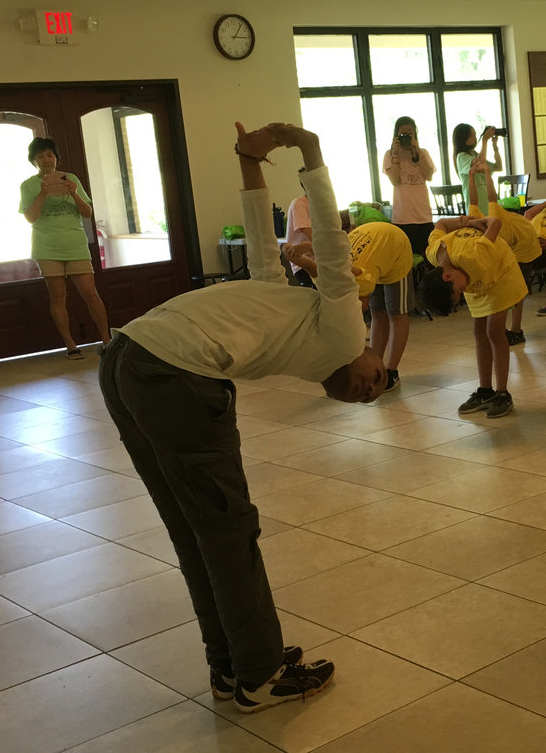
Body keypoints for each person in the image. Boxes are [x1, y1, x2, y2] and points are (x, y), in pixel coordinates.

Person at [98, 122, 388, 714]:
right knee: (227, 531)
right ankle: (259, 675)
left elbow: (262, 242)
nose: (369, 389)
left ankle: (233, 664)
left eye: (368, 398)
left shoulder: (297, 319)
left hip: (128, 360)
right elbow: (332, 245)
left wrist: (248, 162)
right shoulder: (344, 331)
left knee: (197, 528)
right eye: (379, 378)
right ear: (370, 349)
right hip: (166, 372)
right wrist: (310, 152)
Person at [419, 211, 526, 418]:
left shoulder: (472, 257)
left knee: (494, 331)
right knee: (479, 331)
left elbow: (495, 223)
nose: (461, 295)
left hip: (500, 272)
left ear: (447, 276)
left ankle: (503, 393)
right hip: (474, 277)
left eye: (458, 292)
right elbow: (441, 224)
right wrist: (463, 224)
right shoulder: (434, 252)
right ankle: (485, 391)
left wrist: (475, 222)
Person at [287, 221, 414, 393]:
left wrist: (308, 248)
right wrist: (295, 252)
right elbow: (311, 265)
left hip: (394, 242)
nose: (361, 311)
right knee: (378, 312)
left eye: (358, 310)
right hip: (371, 241)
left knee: (397, 313)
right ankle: (377, 364)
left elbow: (342, 268)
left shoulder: (357, 281)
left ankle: (391, 371)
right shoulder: (326, 284)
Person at [19, 137, 111, 358]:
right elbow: (30, 217)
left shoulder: (71, 179)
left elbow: (87, 213)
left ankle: (107, 340)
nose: (46, 159)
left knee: (91, 294)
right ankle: (70, 345)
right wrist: (43, 192)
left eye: (50, 155)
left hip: (75, 244)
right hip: (46, 247)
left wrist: (73, 192)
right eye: (40, 156)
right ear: (33, 161)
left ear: (56, 157)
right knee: (58, 297)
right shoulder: (28, 185)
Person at [467, 161, 542, 346]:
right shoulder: (476, 220)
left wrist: (486, 172)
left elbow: (492, 197)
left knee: (517, 293)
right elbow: (473, 201)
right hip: (511, 247)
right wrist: (470, 176)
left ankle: (517, 330)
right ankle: (508, 329)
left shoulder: (497, 218)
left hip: (525, 248)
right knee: (504, 290)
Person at [382, 116, 436, 257]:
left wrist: (417, 150)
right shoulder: (389, 155)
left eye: (410, 134)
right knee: (406, 259)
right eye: (403, 134)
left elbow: (429, 176)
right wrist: (395, 155)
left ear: (415, 135)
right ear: (396, 136)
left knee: (428, 257)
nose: (406, 137)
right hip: (402, 217)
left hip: (423, 216)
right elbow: (394, 180)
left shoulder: (423, 153)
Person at [452, 123, 502, 211]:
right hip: (475, 212)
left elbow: (498, 167)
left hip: (488, 210)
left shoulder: (476, 155)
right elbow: (480, 163)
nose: (475, 137)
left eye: (475, 134)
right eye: (472, 135)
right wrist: (484, 140)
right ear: (464, 139)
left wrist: (495, 146)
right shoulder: (461, 157)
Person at [284, 189, 313, 286]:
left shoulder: (321, 206)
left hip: (320, 262)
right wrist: (310, 246)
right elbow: (311, 236)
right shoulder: (300, 204)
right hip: (303, 267)